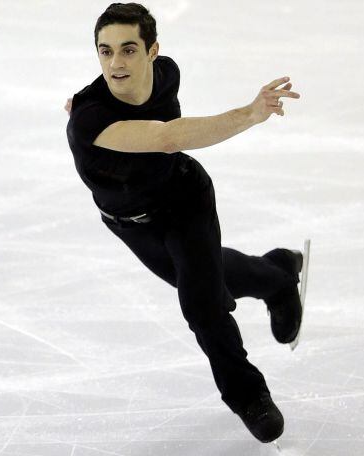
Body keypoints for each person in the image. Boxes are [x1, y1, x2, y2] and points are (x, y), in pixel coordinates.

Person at [65, 2, 302, 444]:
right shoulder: (89, 120)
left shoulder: (167, 73)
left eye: (129, 50)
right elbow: (166, 136)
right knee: (212, 276)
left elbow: (173, 136)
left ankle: (249, 396)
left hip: (185, 199)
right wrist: (248, 114)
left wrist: (253, 113)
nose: (116, 63)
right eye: (105, 51)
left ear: (153, 51)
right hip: (131, 225)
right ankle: (279, 274)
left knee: (202, 304)